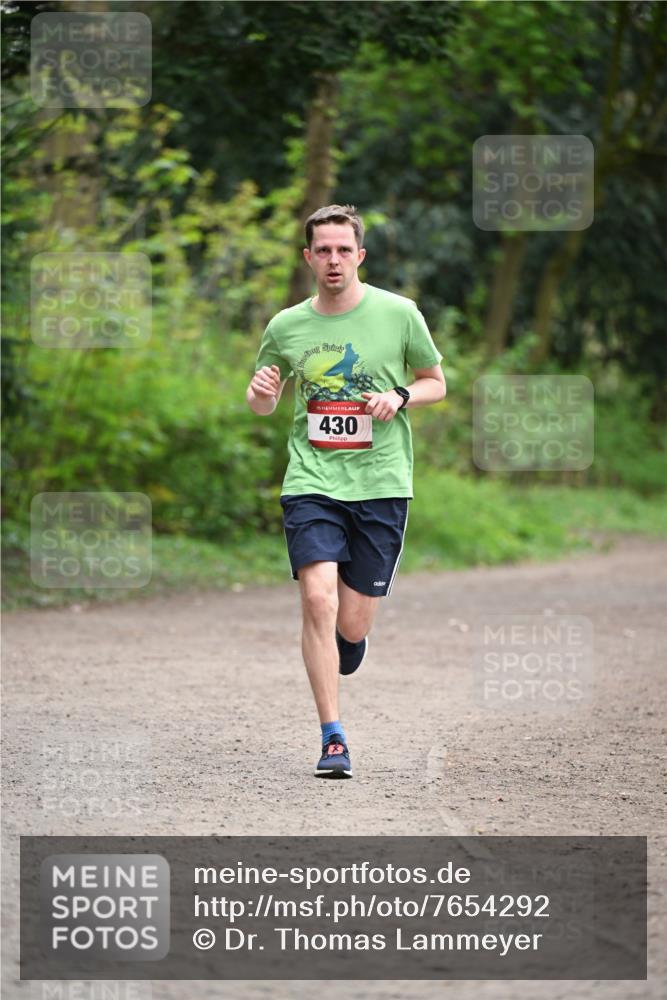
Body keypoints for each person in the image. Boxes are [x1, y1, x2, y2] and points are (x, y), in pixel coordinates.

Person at [245, 204, 446, 778]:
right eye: (322, 251)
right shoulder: (286, 326)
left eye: (343, 250)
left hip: (382, 482)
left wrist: (402, 396)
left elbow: (437, 383)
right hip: (311, 480)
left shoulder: (399, 314)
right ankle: (333, 737)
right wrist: (260, 391)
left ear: (359, 255)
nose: (333, 260)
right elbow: (264, 401)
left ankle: (345, 644)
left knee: (351, 624)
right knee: (317, 600)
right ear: (308, 257)